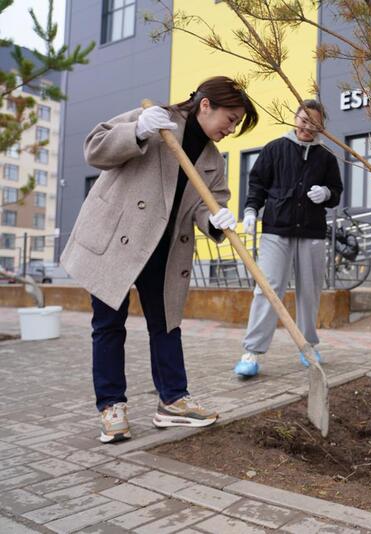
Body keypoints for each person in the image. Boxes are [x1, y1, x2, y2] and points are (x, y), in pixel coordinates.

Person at [61, 76, 259, 443]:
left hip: (165, 249)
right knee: (108, 325)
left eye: (235, 124)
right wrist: (136, 130)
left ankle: (173, 402)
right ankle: (111, 407)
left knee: (166, 325)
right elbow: (94, 149)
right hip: (120, 239)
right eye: (230, 119)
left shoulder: (213, 161)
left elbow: (207, 204)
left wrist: (215, 219)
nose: (230, 129)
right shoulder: (156, 119)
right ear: (205, 105)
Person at [234, 100, 343, 377]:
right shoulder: (274, 149)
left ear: (322, 126)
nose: (307, 126)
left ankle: (307, 346)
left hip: (312, 232)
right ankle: (252, 352)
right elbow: (257, 183)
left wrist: (327, 194)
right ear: (295, 119)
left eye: (314, 122)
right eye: (303, 119)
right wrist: (249, 211)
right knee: (267, 290)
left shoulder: (326, 157)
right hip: (275, 229)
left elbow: (337, 191)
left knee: (310, 292)